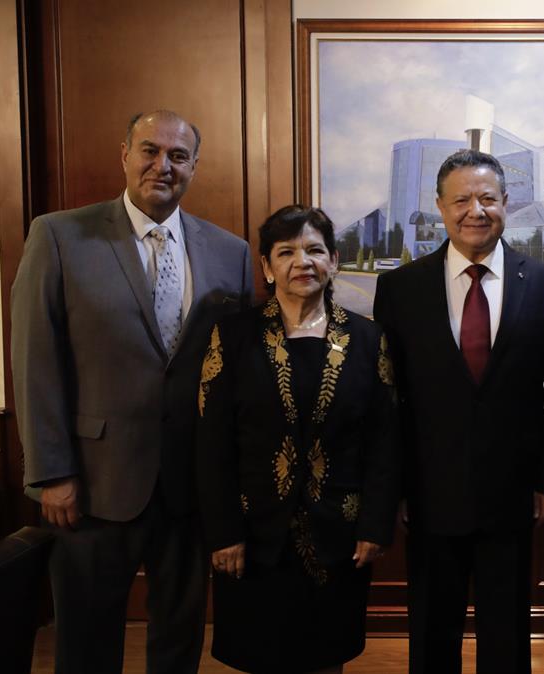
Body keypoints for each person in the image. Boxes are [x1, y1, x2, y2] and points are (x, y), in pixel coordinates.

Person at [10, 110, 253, 672]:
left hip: (189, 485)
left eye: (178, 156)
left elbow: (236, 377)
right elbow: (34, 360)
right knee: (86, 643)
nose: (162, 165)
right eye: (150, 150)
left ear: (194, 166)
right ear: (125, 155)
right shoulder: (59, 235)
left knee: (179, 640)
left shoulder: (231, 252)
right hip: (91, 484)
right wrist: (50, 473)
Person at [372, 149, 544, 674]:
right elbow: (388, 400)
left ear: (506, 202)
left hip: (514, 492)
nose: (475, 211)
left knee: (506, 635)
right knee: (431, 633)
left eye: (487, 198)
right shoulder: (400, 289)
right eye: (461, 200)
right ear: (441, 207)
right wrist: (395, 488)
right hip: (429, 491)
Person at [195, 205, 400, 673]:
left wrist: (374, 526)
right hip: (253, 534)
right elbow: (212, 445)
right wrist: (223, 533)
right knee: (261, 654)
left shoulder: (369, 339)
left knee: (327, 654)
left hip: (339, 534)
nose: (302, 262)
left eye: (314, 250)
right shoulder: (232, 337)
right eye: (286, 252)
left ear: (334, 261)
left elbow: (385, 444)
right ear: (267, 267)